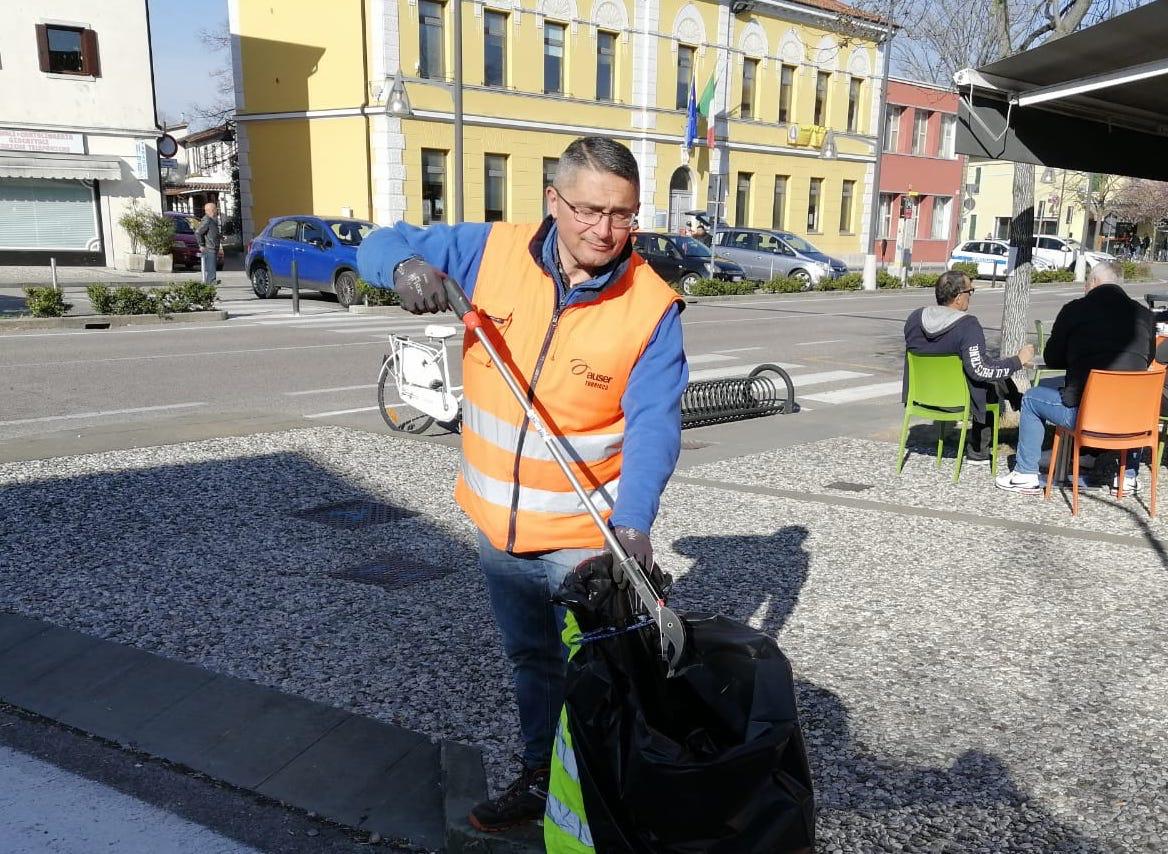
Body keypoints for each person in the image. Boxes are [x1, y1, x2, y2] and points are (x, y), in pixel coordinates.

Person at [356, 136, 688, 832]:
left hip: (584, 539)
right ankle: (543, 780)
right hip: (498, 528)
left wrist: (634, 524)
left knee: (600, 678)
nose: (604, 230)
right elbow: (376, 243)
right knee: (531, 663)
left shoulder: (650, 306)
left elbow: (655, 422)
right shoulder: (490, 251)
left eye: (623, 215)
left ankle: (604, 800)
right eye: (589, 210)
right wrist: (406, 265)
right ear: (553, 201)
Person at [996, 260, 1156, 495]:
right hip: (1130, 419)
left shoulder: (1075, 310)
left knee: (1031, 398)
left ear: (1093, 282)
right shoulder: (1144, 315)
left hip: (1085, 416)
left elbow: (1052, 358)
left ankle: (1025, 474)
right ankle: (1127, 477)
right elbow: (1148, 358)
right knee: (1138, 395)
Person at [903, 270, 1034, 464]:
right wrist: (1017, 361)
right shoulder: (967, 326)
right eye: (969, 291)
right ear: (957, 297)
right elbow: (979, 370)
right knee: (990, 384)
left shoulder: (914, 319)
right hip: (957, 400)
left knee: (993, 371)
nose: (970, 296)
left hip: (922, 397)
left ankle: (1018, 401)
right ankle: (978, 451)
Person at [195, 202, 221, 286]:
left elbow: (211, 232)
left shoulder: (212, 220)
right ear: (211, 210)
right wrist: (201, 245)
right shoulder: (207, 220)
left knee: (212, 265)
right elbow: (198, 232)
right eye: (215, 209)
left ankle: (211, 281)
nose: (216, 211)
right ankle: (211, 281)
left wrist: (220, 236)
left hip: (213, 245)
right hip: (210, 247)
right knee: (211, 265)